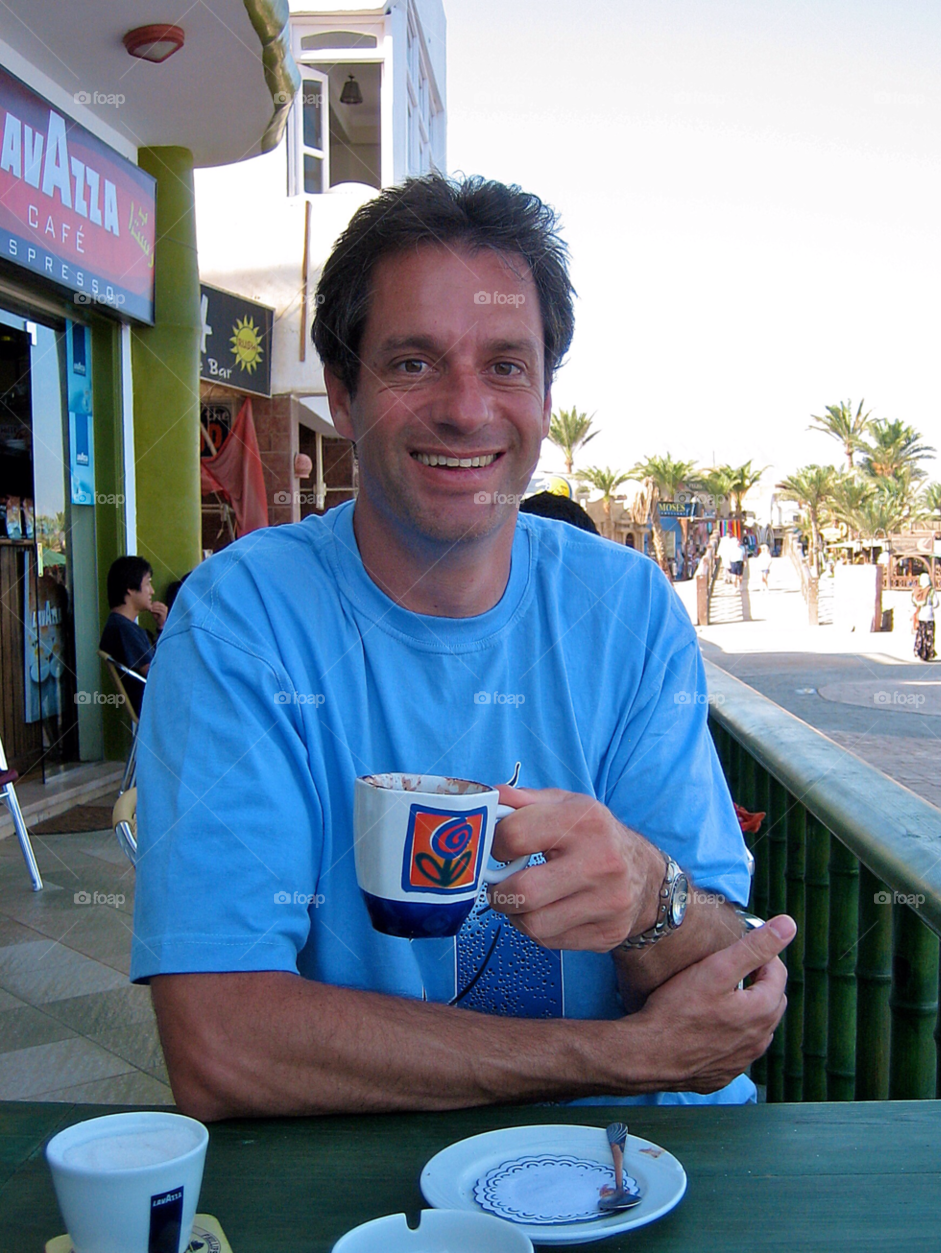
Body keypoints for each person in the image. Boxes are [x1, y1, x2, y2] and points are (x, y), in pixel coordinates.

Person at [132, 174, 793, 1121]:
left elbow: (729, 970)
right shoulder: (244, 618)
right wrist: (613, 1057)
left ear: (546, 396)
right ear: (344, 396)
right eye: (413, 363)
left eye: (507, 366)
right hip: (379, 1191)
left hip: (643, 1172)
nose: (467, 408)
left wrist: (651, 896)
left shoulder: (629, 607)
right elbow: (224, 1044)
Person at [98, 557, 167, 716]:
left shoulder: (121, 626)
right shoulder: (123, 630)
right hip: (158, 707)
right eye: (148, 583)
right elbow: (157, 673)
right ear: (130, 587)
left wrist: (161, 627)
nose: (152, 591)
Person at [912, 572, 939, 662]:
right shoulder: (931, 591)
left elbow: (913, 602)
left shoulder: (917, 591)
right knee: (929, 634)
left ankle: (920, 651)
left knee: (921, 634)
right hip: (929, 615)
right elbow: (936, 603)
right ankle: (928, 653)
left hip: (920, 616)